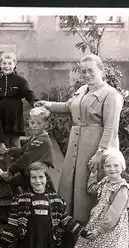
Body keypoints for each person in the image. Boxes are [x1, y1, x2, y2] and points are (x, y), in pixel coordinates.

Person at [35, 54, 124, 224]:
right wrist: (48, 105)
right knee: (71, 184)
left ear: (101, 70)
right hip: (75, 146)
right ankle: (70, 226)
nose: (87, 75)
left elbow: (111, 128)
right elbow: (69, 106)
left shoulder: (110, 95)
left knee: (88, 188)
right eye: (83, 72)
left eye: (91, 70)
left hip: (95, 147)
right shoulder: (83, 90)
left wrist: (100, 153)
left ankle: (88, 230)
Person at [0, 51, 38, 150]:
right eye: (4, 63)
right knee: (3, 143)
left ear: (14, 65)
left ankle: (16, 163)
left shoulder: (20, 80)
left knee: (15, 143)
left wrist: (35, 102)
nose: (7, 66)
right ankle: (6, 164)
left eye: (9, 63)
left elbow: (29, 93)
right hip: (2, 116)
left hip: (15, 115)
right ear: (0, 65)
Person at [0, 107, 54, 193]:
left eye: (39, 123)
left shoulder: (41, 140)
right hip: (30, 170)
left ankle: (22, 200)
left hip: (38, 173)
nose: (35, 125)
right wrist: (8, 150)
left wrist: (10, 171)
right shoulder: (35, 137)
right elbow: (22, 150)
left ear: (46, 124)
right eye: (32, 122)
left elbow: (26, 158)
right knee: (14, 182)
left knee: (29, 189)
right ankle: (20, 199)